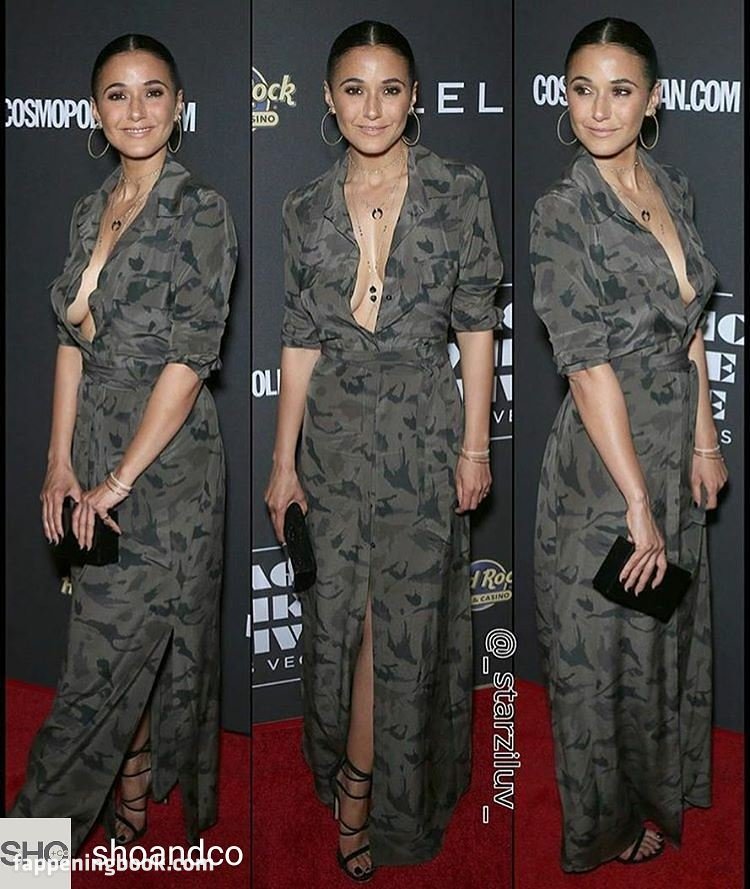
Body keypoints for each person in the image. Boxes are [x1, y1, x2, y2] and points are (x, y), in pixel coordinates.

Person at [264, 20, 503, 882]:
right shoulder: (303, 207)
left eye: (390, 89)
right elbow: (300, 340)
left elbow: (476, 323)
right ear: (329, 101)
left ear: (415, 98)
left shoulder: (458, 189)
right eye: (354, 89)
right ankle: (343, 762)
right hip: (332, 435)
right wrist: (283, 461)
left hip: (422, 430)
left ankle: (363, 789)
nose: (373, 108)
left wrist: (474, 444)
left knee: (391, 623)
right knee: (339, 617)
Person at [10, 34, 237, 853]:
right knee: (109, 648)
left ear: (179, 106)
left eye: (153, 92)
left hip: (166, 468)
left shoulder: (201, 210)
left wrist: (117, 480)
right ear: (95, 112)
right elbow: (71, 342)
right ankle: (130, 780)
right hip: (95, 446)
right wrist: (59, 461)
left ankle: (25, 857)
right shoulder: (90, 209)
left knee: (91, 675)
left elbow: (188, 361)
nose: (135, 110)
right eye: (117, 94)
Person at [530, 17, 727, 873]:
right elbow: (586, 368)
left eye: (620, 91)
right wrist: (638, 501)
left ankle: (653, 790)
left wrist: (705, 436)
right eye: (583, 90)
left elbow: (690, 327)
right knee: (597, 660)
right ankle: (599, 825)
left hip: (670, 448)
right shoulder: (561, 212)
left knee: (655, 640)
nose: (599, 110)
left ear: (652, 100)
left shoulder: (672, 187)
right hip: (602, 470)